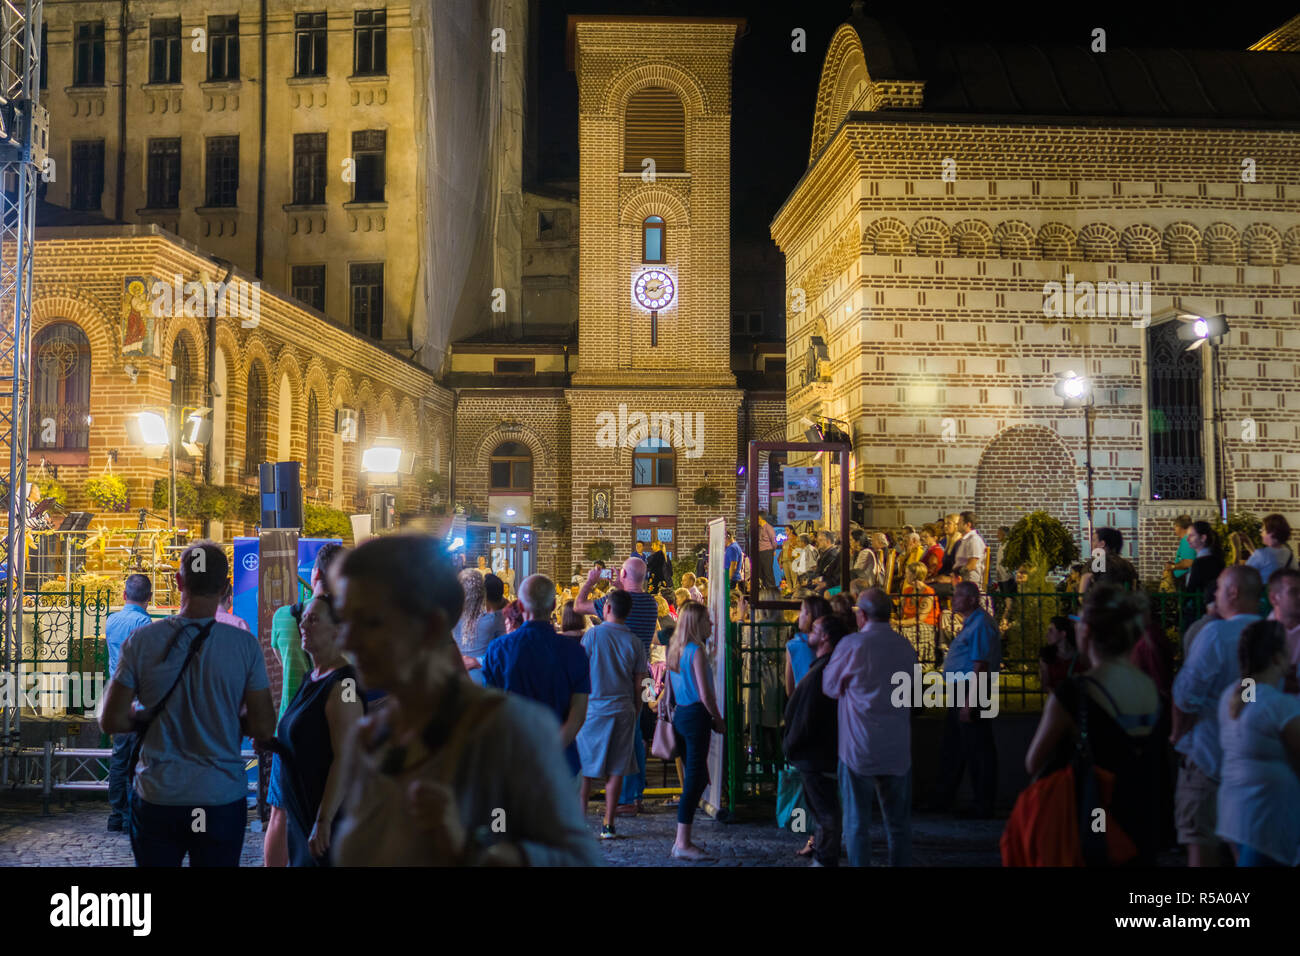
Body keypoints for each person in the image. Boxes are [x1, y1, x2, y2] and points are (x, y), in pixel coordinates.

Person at [329, 535, 600, 865]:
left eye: (370, 622)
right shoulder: (371, 739)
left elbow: (576, 858)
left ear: (429, 628)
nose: (347, 638)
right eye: (344, 618)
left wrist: (472, 846)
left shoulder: (509, 729)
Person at [100, 542, 276, 867]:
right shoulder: (244, 646)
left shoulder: (142, 641)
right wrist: (229, 715)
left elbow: (111, 719)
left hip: (159, 796)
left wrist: (144, 715)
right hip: (219, 796)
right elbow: (264, 726)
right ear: (225, 587)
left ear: (179, 583)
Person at [1025, 585, 1163, 865]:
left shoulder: (1074, 692)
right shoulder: (1151, 689)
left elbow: (1033, 761)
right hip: (1143, 813)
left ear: (1085, 632)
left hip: (1094, 815)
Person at [1171, 565, 1263, 866]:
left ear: (1233, 593)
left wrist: (1177, 734)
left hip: (1209, 755)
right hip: (1256, 759)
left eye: (1221, 589)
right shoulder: (1272, 634)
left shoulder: (1215, 634)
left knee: (1201, 840)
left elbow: (1185, 696)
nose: (1216, 596)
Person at [824, 588, 919, 866]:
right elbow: (914, 694)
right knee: (899, 825)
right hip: (897, 749)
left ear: (862, 615)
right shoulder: (905, 647)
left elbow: (829, 686)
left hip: (859, 748)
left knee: (857, 825)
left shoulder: (853, 646)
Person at [264, 541, 344, 867]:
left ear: (315, 574)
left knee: (280, 815)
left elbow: (281, 658)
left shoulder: (285, 617)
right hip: (332, 728)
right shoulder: (346, 622)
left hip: (291, 726)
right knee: (331, 813)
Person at [274, 593, 366, 866]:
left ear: (338, 631)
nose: (303, 625)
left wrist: (323, 820)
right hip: (302, 816)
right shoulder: (311, 678)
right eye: (304, 619)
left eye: (314, 620)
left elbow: (347, 754)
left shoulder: (344, 684)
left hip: (326, 823)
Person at [482, 575, 591, 778]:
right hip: (561, 761)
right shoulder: (574, 652)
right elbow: (578, 715)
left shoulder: (498, 650)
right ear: (553, 605)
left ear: (521, 606)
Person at [574, 558, 660, 815]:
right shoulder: (652, 603)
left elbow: (579, 606)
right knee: (638, 735)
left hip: (617, 678)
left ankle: (625, 798)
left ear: (622, 573)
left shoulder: (608, 605)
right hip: (644, 676)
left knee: (625, 739)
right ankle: (635, 795)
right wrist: (620, 584)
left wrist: (589, 582)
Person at [1216, 620, 1300, 867]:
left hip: (1234, 815)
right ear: (1276, 658)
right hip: (1267, 818)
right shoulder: (1279, 705)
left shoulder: (1231, 696)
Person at [576, 589, 648, 840]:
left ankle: (579, 823)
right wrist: (637, 708)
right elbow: (641, 682)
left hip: (593, 709)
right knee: (616, 769)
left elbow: (581, 672)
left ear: (607, 608)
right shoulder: (636, 642)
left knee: (585, 769)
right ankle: (608, 824)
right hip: (623, 709)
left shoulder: (593, 635)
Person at [930, 581, 1000, 817]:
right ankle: (944, 798)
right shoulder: (972, 623)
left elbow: (980, 665)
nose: (953, 599)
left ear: (972, 599)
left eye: (959, 595)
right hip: (963, 689)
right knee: (956, 746)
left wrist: (969, 703)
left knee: (977, 748)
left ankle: (982, 803)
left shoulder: (980, 624)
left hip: (971, 690)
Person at [783, 613, 847, 867]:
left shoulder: (826, 670)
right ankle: (823, 853)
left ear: (825, 637)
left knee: (825, 810)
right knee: (822, 808)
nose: (809, 629)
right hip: (812, 752)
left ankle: (825, 857)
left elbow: (810, 713)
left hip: (815, 752)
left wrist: (793, 743)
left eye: (816, 628)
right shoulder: (822, 666)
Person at [666, 602, 726, 861]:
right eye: (708, 621)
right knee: (694, 780)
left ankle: (683, 840)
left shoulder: (675, 649)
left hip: (681, 714)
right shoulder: (696, 651)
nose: (711, 625)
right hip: (696, 716)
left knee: (697, 776)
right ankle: (682, 842)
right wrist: (718, 717)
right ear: (697, 624)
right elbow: (705, 693)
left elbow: (669, 686)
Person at [103, 573, 153, 833]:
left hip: (116, 696)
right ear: (149, 598)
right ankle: (131, 813)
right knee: (138, 759)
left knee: (119, 758)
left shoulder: (111, 621)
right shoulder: (145, 622)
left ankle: (116, 814)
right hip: (138, 700)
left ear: (124, 595)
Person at [454, 569, 506, 685]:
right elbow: (504, 652)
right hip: (479, 680)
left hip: (462, 680)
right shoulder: (495, 619)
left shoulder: (451, 616)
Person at [1180, 521, 1225, 627]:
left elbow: (1192, 587)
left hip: (1200, 610)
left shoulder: (1202, 562)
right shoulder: (1215, 558)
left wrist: (1183, 602)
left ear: (1203, 538)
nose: (1187, 539)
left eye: (1191, 536)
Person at [785, 595, 831, 697]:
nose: (799, 615)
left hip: (802, 702)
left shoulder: (794, 645)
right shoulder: (832, 641)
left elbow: (790, 691)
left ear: (808, 615)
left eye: (801, 611)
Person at [1266, 569, 1300, 692]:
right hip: (1269, 708)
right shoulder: (1257, 635)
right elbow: (1247, 689)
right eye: (1293, 592)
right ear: (1273, 598)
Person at [1079, 527, 1139, 593]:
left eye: (1093, 540)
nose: (1091, 544)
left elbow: (1082, 592)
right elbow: (1133, 588)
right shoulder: (1127, 564)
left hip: (1100, 601)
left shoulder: (1096, 563)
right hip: (1122, 601)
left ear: (1102, 544)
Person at [1037, 615, 1087, 694]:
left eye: (1051, 631)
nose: (1047, 635)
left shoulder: (1081, 655)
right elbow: (1045, 685)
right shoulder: (1046, 656)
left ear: (1063, 634)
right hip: (1058, 702)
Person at [1246, 513, 1296, 586]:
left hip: (1264, 596)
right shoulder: (1289, 554)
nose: (1261, 534)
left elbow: (1243, 575)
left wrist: (1236, 548)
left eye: (1263, 530)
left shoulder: (1261, 554)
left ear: (1272, 532)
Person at [950, 511, 987, 586]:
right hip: (959, 578)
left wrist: (955, 575)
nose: (957, 524)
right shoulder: (965, 540)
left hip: (969, 581)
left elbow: (971, 565)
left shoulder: (974, 540)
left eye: (960, 522)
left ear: (968, 524)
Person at [1167, 515, 1196, 586]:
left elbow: (1188, 562)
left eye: (1176, 526)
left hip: (1184, 579)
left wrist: (1172, 567)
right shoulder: (1187, 539)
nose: (1174, 528)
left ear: (1181, 528)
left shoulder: (1187, 540)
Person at [756, 511, 777, 589]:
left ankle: (772, 589)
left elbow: (774, 540)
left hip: (767, 551)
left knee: (768, 572)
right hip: (759, 552)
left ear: (760, 518)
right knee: (760, 572)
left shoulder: (768, 527)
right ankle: (762, 589)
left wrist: (773, 550)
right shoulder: (758, 528)